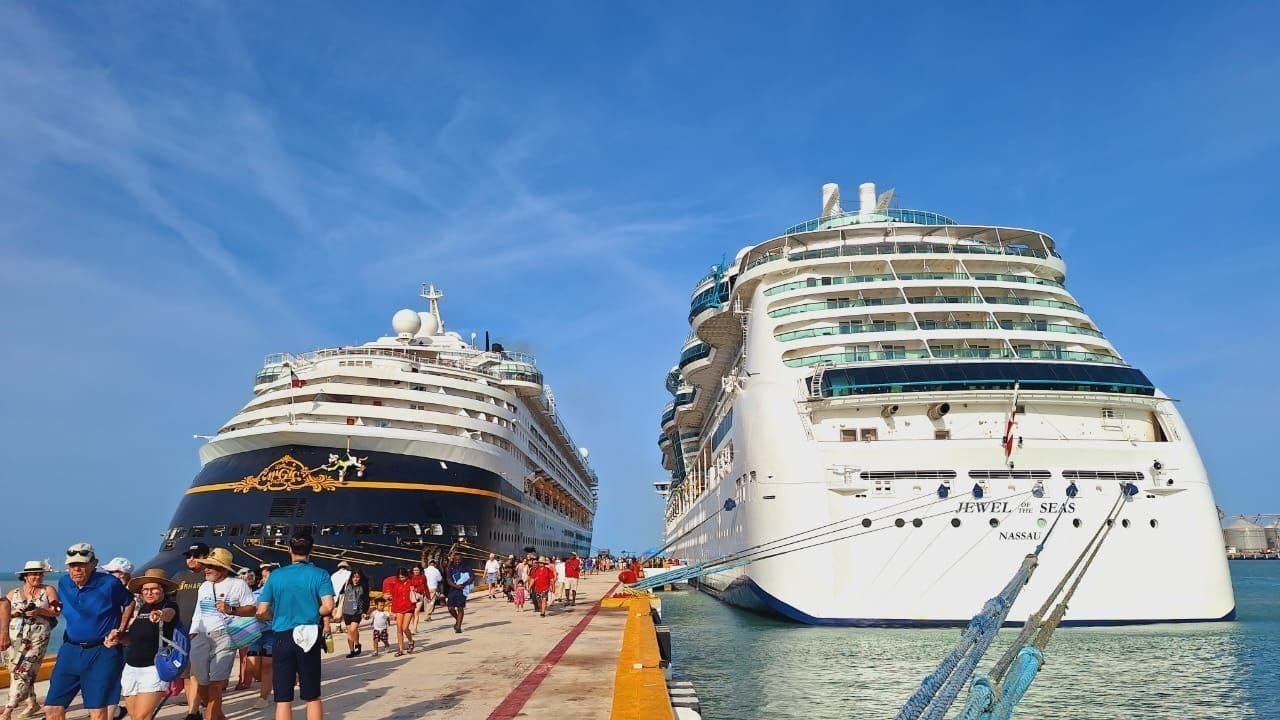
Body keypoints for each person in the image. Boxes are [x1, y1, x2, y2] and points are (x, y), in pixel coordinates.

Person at [44, 542, 135, 720]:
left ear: (94, 564)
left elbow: (129, 602)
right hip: (70, 650)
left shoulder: (110, 583)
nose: (76, 569)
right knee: (52, 708)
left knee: (97, 710)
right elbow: (67, 607)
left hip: (101, 651)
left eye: (81, 564)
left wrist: (120, 630)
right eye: (72, 565)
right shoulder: (64, 582)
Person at [255, 532, 334, 720]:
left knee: (283, 697)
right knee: (312, 695)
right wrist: (313, 612)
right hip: (309, 634)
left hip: (283, 635)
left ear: (289, 549)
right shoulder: (320, 574)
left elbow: (261, 610)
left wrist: (275, 616)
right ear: (312, 550)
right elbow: (328, 606)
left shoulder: (276, 576)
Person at [189, 548, 255, 720]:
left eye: (211, 566)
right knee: (201, 683)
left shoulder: (238, 584)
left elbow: (252, 609)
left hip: (225, 636)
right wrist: (193, 632)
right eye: (206, 565)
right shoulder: (204, 586)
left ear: (224, 569)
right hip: (201, 636)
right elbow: (198, 611)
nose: (207, 569)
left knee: (216, 684)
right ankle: (219, 716)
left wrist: (231, 609)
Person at [118, 569, 179, 720]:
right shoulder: (142, 608)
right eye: (145, 589)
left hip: (153, 669)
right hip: (131, 668)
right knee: (134, 716)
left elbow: (169, 614)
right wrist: (118, 637)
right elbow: (133, 639)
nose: (149, 593)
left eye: (153, 589)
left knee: (141, 717)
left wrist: (160, 614)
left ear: (163, 590)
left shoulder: (170, 605)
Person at [4, 561, 60, 720]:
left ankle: (7, 711)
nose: (37, 577)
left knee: (22, 671)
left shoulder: (48, 590)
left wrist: (40, 610)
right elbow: (3, 612)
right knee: (14, 669)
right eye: (34, 574)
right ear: (25, 576)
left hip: (38, 637)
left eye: (40, 574)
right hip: (15, 638)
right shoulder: (13, 593)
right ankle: (32, 703)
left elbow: (57, 610)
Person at [172, 543, 209, 720]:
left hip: (203, 632)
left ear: (206, 556)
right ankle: (193, 711)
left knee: (200, 674)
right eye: (188, 556)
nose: (191, 559)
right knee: (187, 675)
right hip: (182, 632)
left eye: (196, 555)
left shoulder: (209, 577)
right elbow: (170, 601)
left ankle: (199, 709)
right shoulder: (179, 577)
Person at [245, 564, 278, 710]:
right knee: (252, 666)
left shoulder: (282, 594)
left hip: (273, 632)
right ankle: (272, 679)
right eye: (264, 577)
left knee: (267, 664)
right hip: (256, 633)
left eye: (268, 576)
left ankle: (263, 697)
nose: (265, 579)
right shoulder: (255, 594)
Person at [379, 568, 415, 656]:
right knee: (399, 628)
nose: (401, 579)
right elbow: (391, 596)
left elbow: (421, 586)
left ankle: (410, 641)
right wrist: (391, 609)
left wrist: (416, 590)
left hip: (409, 607)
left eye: (403, 577)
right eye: (399, 577)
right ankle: (401, 649)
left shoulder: (411, 582)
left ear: (406, 576)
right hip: (398, 607)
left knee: (405, 628)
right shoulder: (395, 583)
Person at [233, 569, 258, 692]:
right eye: (243, 573)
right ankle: (241, 680)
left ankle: (243, 680)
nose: (248, 575)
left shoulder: (256, 592)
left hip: (248, 625)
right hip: (236, 624)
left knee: (245, 655)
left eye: (250, 573)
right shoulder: (236, 590)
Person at [339, 570, 369, 658]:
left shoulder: (363, 587)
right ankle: (352, 650)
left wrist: (364, 611)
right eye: (354, 577)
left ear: (360, 578)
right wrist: (337, 610)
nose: (355, 579)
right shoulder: (346, 585)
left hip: (357, 612)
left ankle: (357, 644)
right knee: (350, 632)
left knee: (353, 629)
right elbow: (340, 597)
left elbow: (366, 600)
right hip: (346, 611)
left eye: (357, 577)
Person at [443, 552, 473, 634]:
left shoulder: (466, 567)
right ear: (453, 560)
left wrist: (464, 584)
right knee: (450, 608)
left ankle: (458, 627)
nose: (458, 561)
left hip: (463, 590)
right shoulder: (450, 568)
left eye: (459, 560)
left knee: (460, 607)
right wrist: (456, 586)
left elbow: (472, 577)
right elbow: (448, 580)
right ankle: (457, 620)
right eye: (456, 560)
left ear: (462, 559)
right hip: (453, 589)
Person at [407, 566, 427, 634]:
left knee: (416, 611)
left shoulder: (423, 577)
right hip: (411, 596)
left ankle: (414, 628)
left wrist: (416, 589)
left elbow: (424, 587)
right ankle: (414, 626)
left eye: (417, 570)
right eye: (414, 570)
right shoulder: (410, 577)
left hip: (419, 596)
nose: (416, 571)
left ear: (420, 570)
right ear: (412, 571)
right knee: (412, 613)